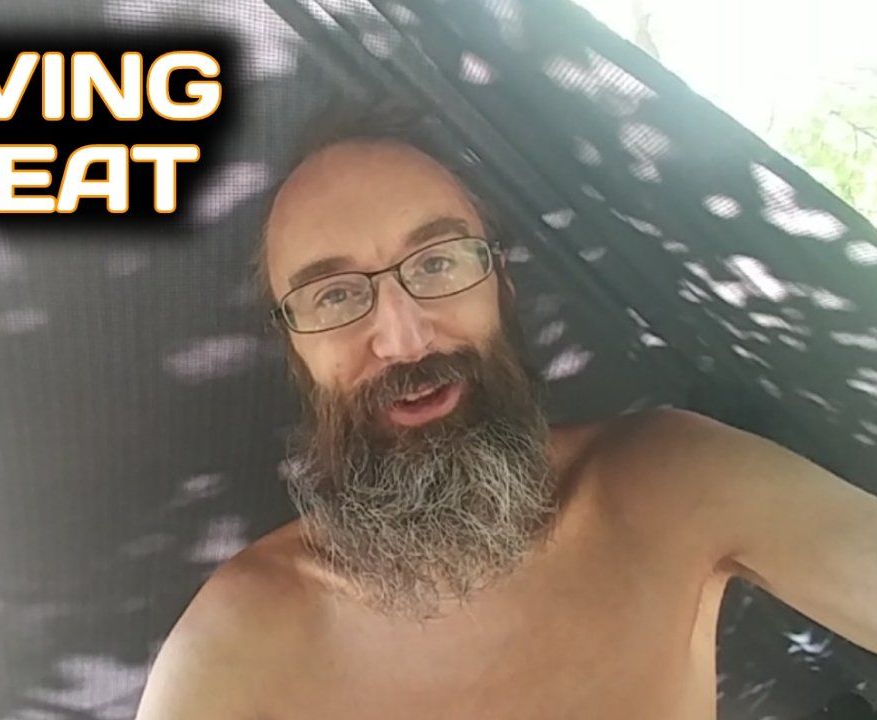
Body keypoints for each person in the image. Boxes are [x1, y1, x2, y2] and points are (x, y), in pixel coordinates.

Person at [134, 104, 877, 720]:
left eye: (437, 263)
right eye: (333, 296)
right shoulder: (237, 641)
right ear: (298, 357)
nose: (404, 338)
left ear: (502, 287)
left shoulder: (672, 479)